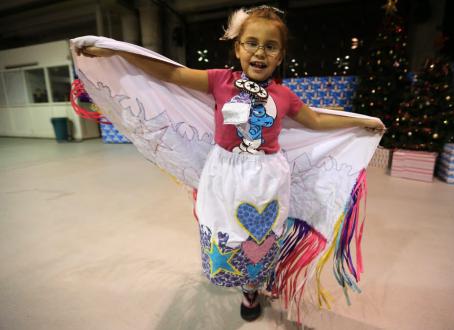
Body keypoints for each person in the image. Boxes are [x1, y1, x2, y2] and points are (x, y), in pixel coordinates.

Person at [75, 5, 385, 322]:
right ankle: (240, 278)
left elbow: (316, 119)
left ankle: (252, 287)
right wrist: (114, 53)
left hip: (266, 178)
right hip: (224, 174)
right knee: (226, 229)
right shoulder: (220, 81)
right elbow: (170, 73)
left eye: (270, 46)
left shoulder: (285, 96)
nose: (259, 52)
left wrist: (362, 124)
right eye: (252, 42)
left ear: (280, 56)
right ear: (238, 48)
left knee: (261, 235)